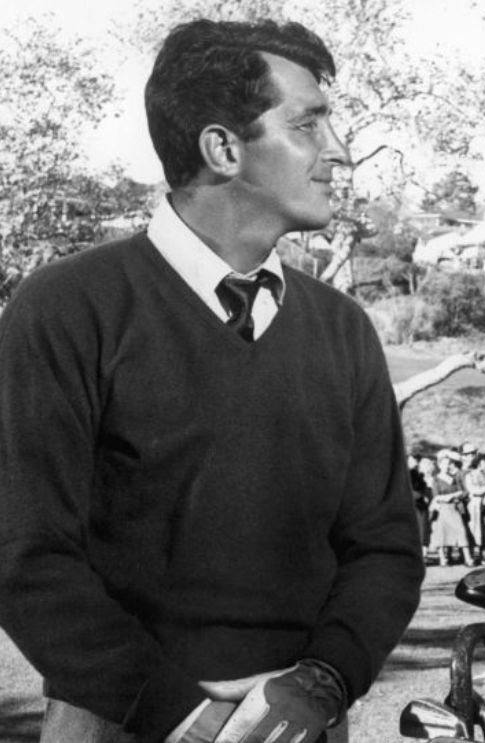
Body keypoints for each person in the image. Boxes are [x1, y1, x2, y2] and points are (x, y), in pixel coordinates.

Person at [0, 19, 424, 743]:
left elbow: (384, 546)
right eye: (309, 124)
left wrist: (320, 681)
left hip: (303, 725)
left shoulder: (344, 328)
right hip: (115, 727)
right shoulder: (66, 308)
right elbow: (24, 550)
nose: (340, 151)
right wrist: (184, 718)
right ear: (223, 148)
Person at [430, 450, 475, 567]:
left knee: (461, 530)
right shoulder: (436, 479)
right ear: (439, 465)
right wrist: (452, 496)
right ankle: (443, 559)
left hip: (454, 508)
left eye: (448, 464)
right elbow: (437, 497)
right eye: (444, 464)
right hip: (443, 509)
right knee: (442, 533)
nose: (446, 466)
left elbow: (462, 491)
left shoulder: (453, 478)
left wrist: (455, 496)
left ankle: (468, 559)